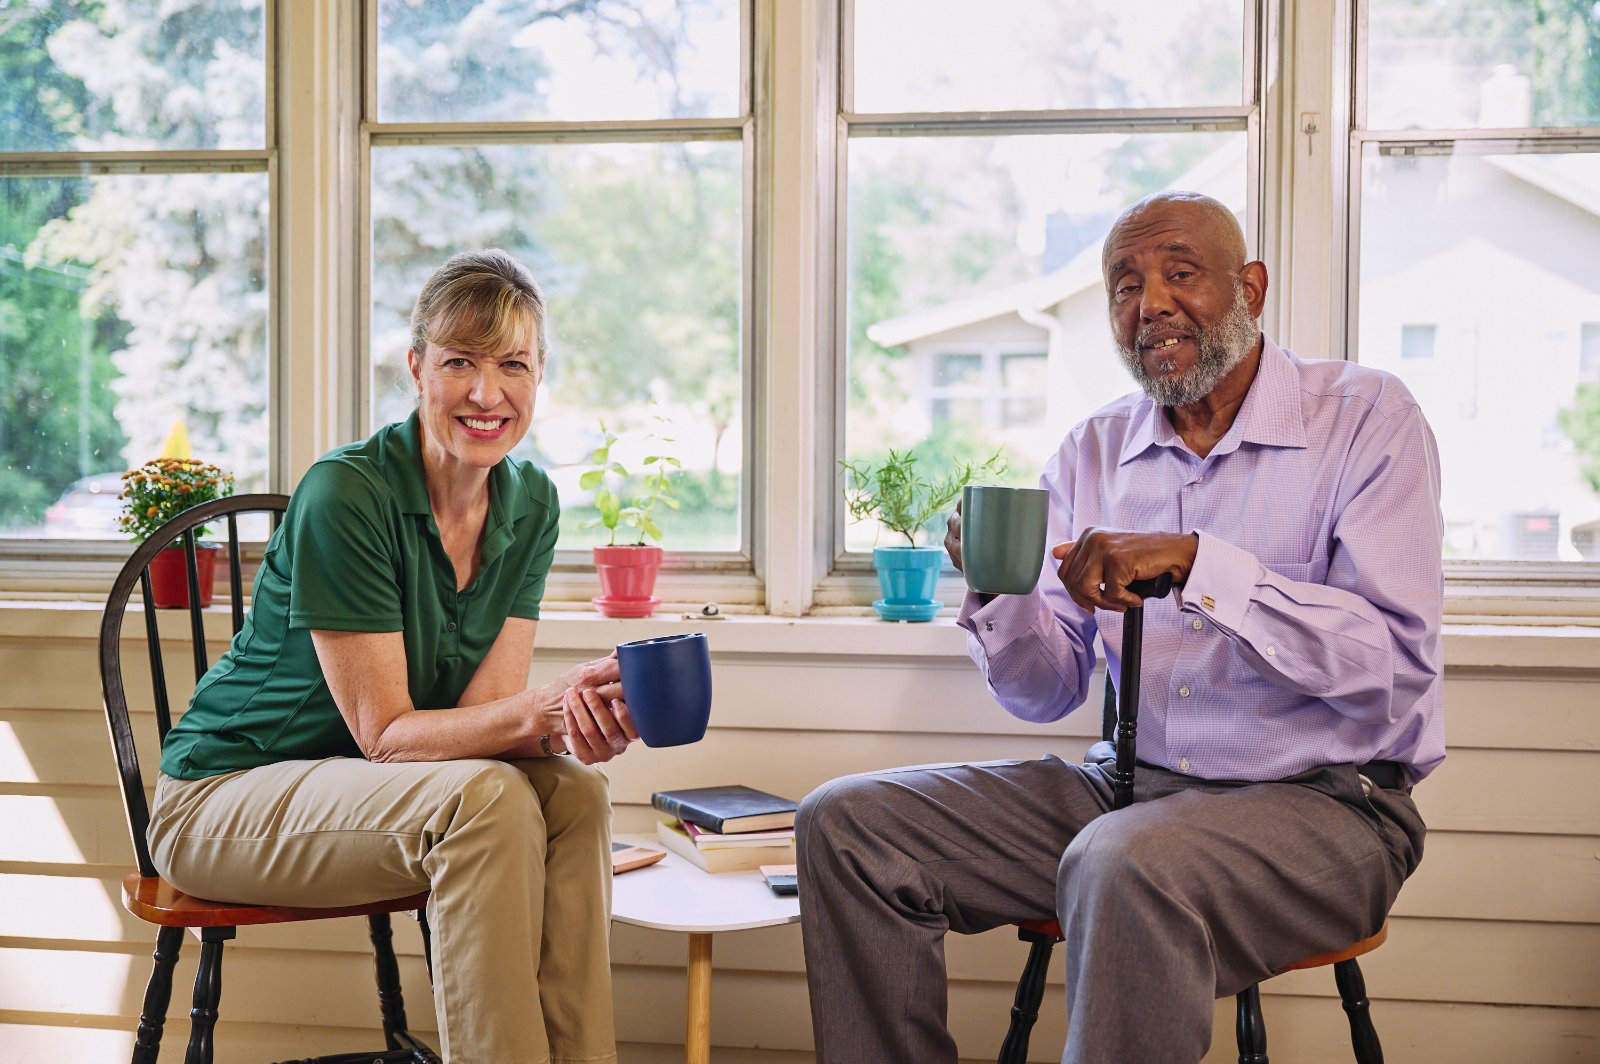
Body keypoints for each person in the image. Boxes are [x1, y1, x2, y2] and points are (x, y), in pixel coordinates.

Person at [796, 191, 1444, 1063]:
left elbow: (1391, 664)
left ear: (1250, 287)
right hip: (1129, 793)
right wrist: (1002, 586)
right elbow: (1043, 690)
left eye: (1181, 274)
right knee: (848, 824)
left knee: (1123, 862)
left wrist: (1198, 565)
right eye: (1124, 285)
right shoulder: (1091, 452)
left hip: (1332, 809)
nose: (1151, 304)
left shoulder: (1366, 417)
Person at [149, 249, 637, 1063]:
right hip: (222, 796)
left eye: (512, 365)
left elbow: (484, 725)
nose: (487, 394)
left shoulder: (532, 503)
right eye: (459, 363)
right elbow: (387, 735)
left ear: (539, 374)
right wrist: (538, 710)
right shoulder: (348, 494)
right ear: (417, 368)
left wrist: (575, 720)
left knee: (573, 794)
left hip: (375, 796)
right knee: (485, 802)